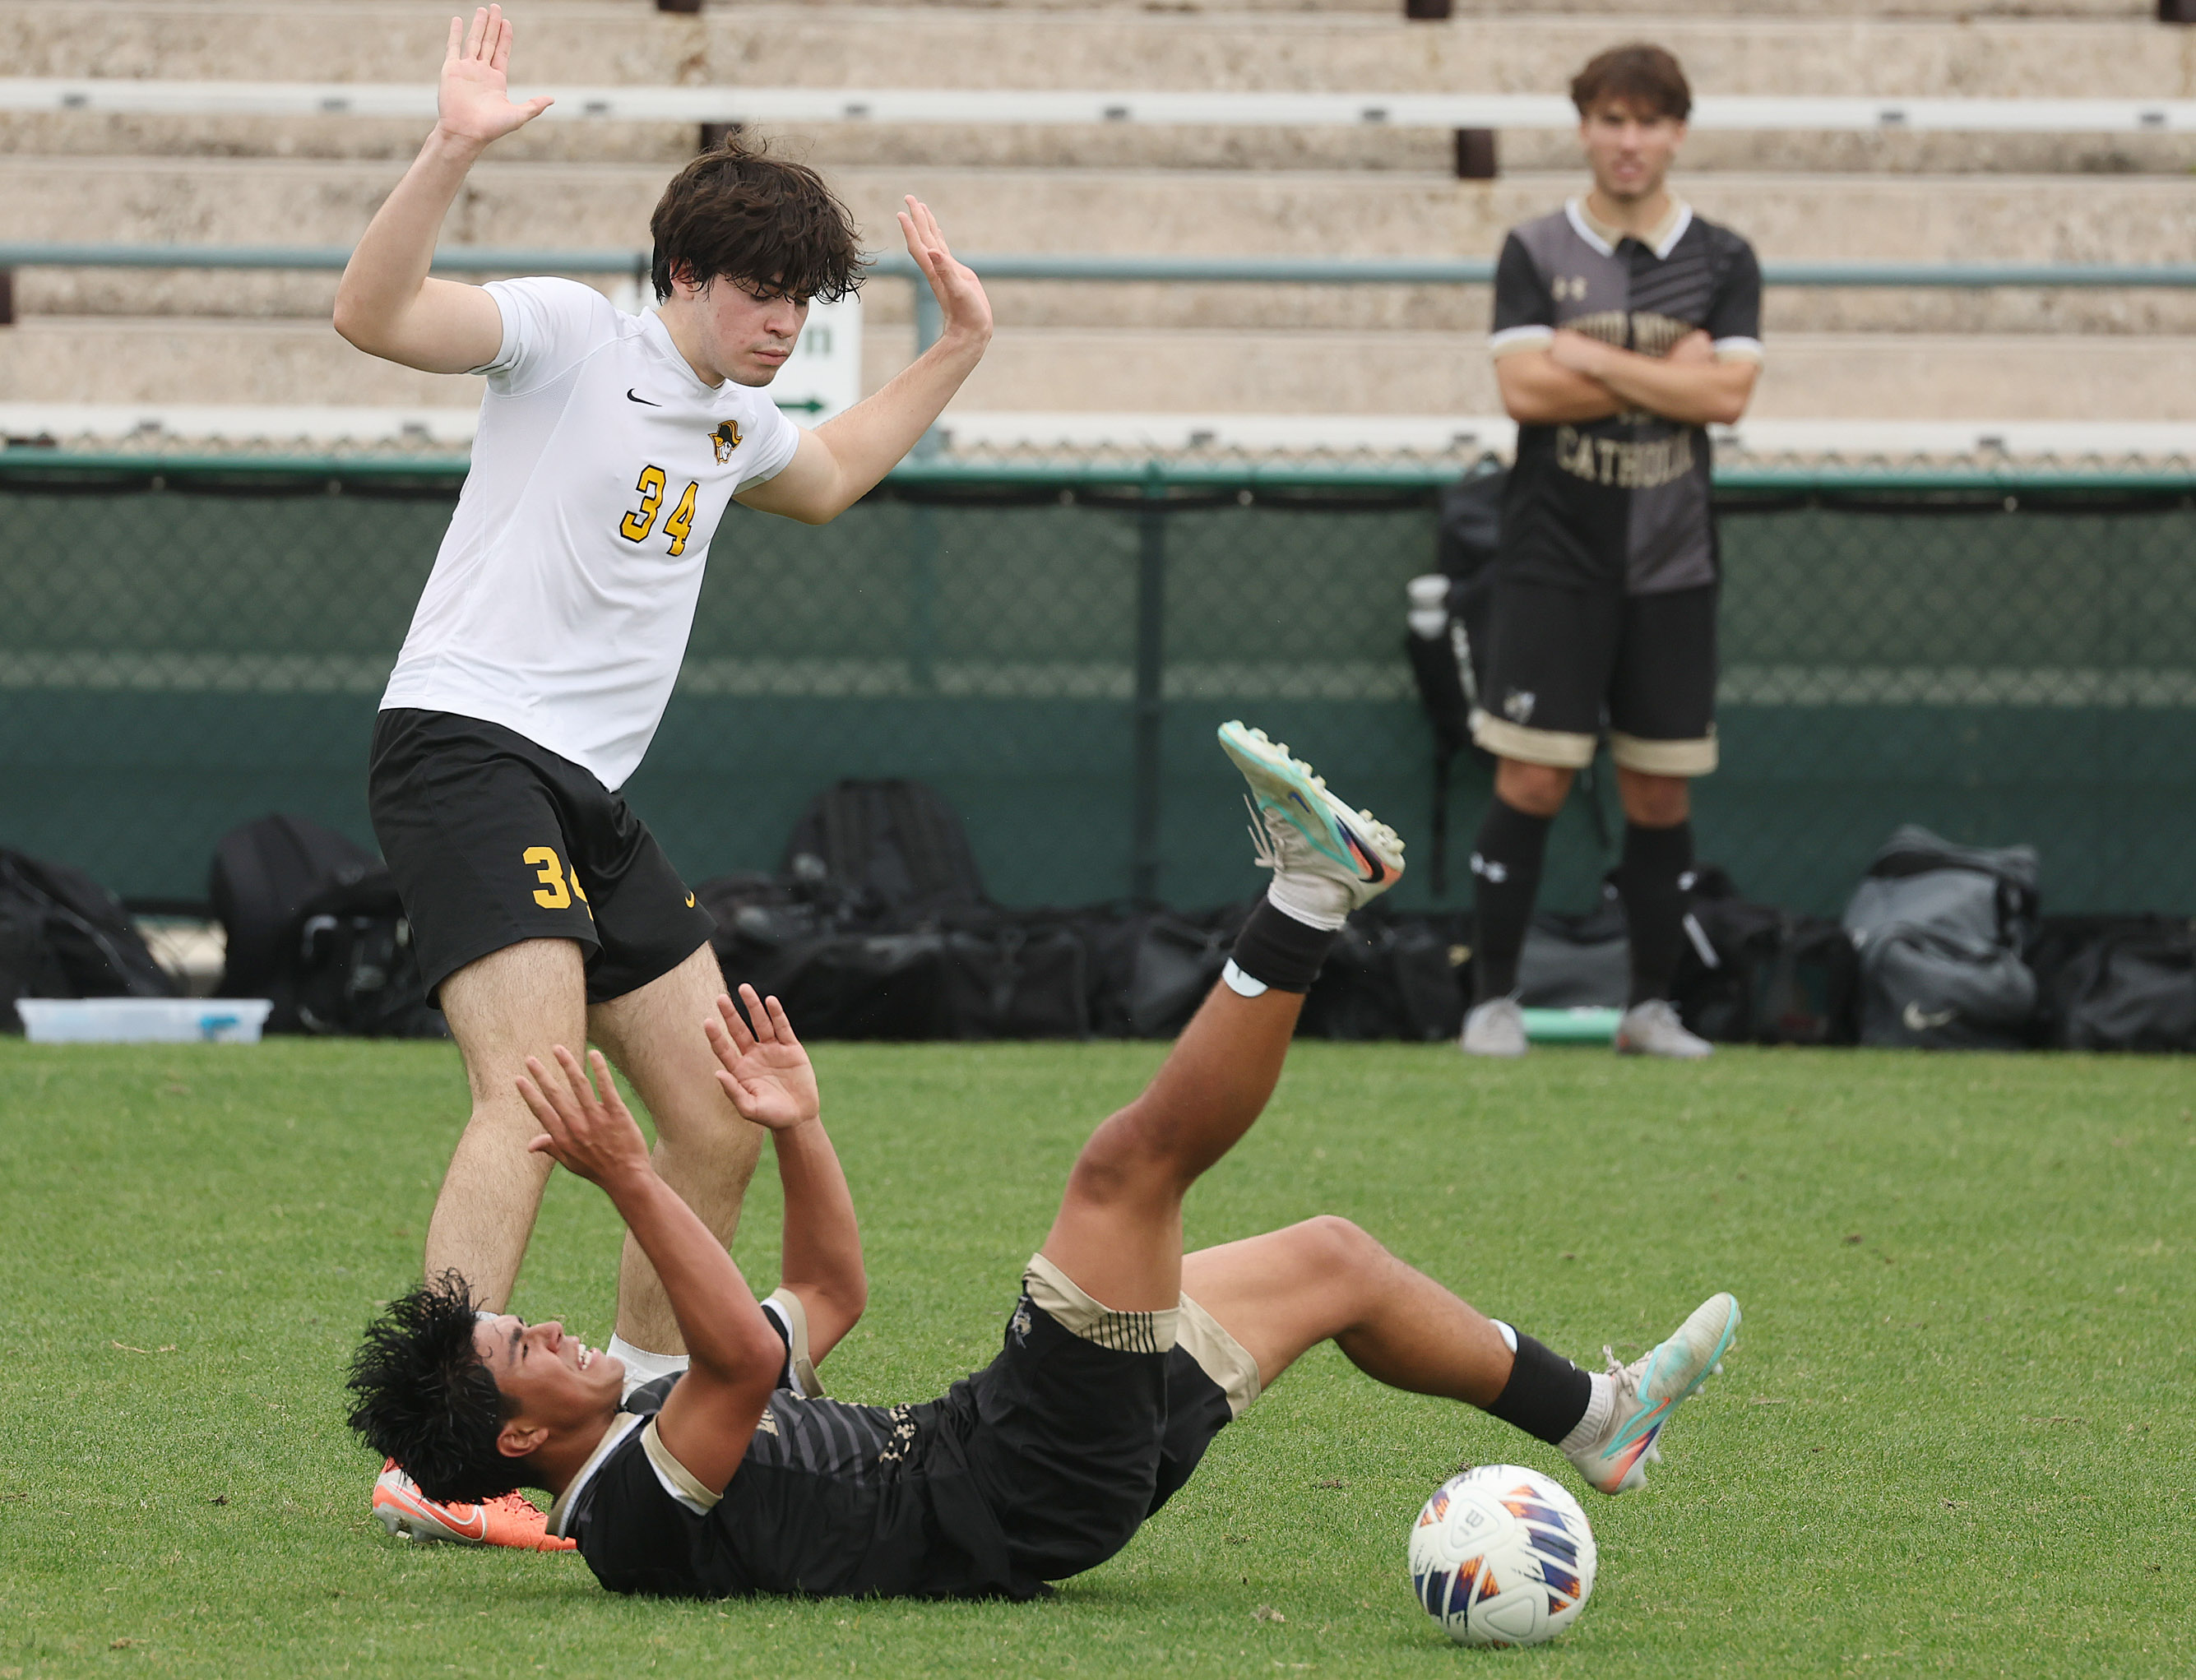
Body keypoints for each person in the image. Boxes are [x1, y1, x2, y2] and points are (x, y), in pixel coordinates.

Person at [346, 723, 1740, 1599]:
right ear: (522, 1435)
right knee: (1124, 1169)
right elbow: (745, 1364)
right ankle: (1314, 889)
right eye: (517, 1339)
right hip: (1016, 1479)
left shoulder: (643, 1411)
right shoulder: (633, 1520)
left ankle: (1596, 1420)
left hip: (1018, 1461)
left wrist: (799, 1123)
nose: (540, 1317)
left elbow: (822, 1297)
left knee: (1330, 1259)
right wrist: (635, 1177)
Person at [334, 7, 994, 1546]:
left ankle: (626, 1416)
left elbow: (825, 479)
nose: (783, 321)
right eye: (763, 291)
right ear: (687, 276)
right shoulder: (572, 337)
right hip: (465, 746)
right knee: (533, 1092)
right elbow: (373, 314)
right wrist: (451, 146)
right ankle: (431, 1462)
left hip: (585, 794)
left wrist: (957, 345)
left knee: (714, 1114)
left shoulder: (738, 415)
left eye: (803, 299)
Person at [1460, 43, 1763, 1062]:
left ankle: (1649, 1009)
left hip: (1674, 564)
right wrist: (1652, 367)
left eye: (1648, 122)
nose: (1628, 142)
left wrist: (1582, 352)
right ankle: (1491, 1003)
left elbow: (1727, 396)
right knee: (1532, 781)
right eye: (1610, 120)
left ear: (1677, 131)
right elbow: (1523, 393)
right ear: (1584, 126)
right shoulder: (1535, 247)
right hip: (1555, 559)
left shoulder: (1721, 258)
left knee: (1659, 789)